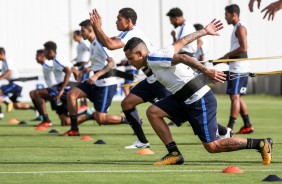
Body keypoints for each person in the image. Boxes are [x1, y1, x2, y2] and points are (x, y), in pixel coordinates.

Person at [123, 19, 273, 166]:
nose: (130, 62)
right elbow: (182, 41)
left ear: (140, 53)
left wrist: (206, 71)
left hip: (199, 99)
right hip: (183, 98)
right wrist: (204, 31)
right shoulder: (158, 54)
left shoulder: (155, 59)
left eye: (131, 58)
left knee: (213, 146)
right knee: (153, 112)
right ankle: (174, 154)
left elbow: (183, 57)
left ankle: (260, 144)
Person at [90, 7, 171, 149]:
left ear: (128, 21)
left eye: (118, 19)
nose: (116, 22)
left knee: (180, 112)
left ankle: (221, 131)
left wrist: (98, 27)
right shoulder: (127, 33)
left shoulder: (133, 34)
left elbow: (110, 44)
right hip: (150, 79)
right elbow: (107, 41)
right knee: (127, 103)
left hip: (159, 79)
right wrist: (96, 28)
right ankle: (142, 142)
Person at [61, 19, 128, 136]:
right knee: (71, 94)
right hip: (96, 82)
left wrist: (96, 74)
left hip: (106, 84)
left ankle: (130, 120)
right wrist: (88, 69)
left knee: (100, 119)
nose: (81, 34)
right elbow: (99, 63)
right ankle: (74, 129)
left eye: (83, 31)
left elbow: (111, 63)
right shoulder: (92, 44)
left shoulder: (100, 43)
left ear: (90, 30)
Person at [221, 4, 254, 134]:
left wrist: (227, 56)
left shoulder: (240, 27)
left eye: (226, 15)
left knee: (234, 97)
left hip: (239, 68)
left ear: (233, 14)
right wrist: (227, 58)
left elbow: (243, 48)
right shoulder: (237, 27)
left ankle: (230, 127)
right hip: (237, 67)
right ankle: (247, 125)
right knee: (237, 97)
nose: (225, 17)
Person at [33, 41, 72, 127]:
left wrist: (61, 90)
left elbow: (68, 71)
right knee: (65, 122)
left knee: (35, 93)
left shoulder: (55, 61)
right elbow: (71, 68)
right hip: (59, 88)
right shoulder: (56, 60)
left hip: (63, 89)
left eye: (45, 52)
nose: (44, 55)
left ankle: (45, 119)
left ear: (50, 51)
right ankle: (89, 115)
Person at [0, 47, 35, 115]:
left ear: (1, 54)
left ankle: (2, 112)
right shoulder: (4, 63)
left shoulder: (7, 61)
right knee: (17, 106)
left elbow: (9, 71)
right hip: (16, 84)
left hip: (15, 83)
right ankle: (35, 108)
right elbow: (5, 72)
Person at [29, 49, 55, 121]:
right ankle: (43, 117)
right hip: (52, 89)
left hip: (55, 90)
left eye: (37, 56)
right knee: (34, 94)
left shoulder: (47, 64)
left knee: (34, 93)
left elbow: (58, 69)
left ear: (42, 57)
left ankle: (44, 118)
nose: (35, 58)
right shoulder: (45, 65)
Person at [71, 30, 91, 112]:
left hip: (84, 67)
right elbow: (80, 55)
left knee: (83, 84)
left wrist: (88, 61)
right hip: (79, 66)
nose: (73, 38)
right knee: (79, 84)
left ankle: (84, 105)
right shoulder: (78, 45)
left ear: (79, 35)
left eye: (74, 36)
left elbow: (91, 51)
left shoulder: (84, 43)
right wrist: (73, 60)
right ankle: (83, 104)